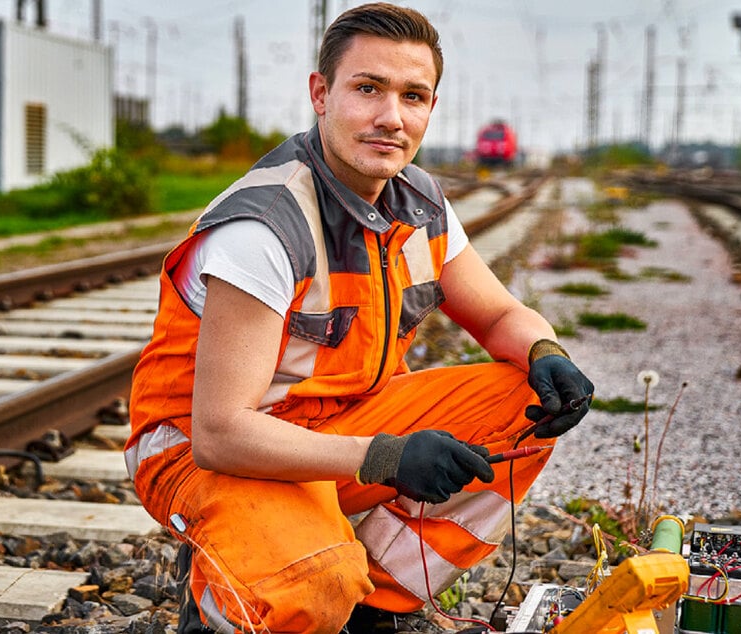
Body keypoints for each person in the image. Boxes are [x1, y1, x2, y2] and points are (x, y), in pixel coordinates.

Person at [124, 3, 594, 632]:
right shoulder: (266, 226)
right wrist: (385, 458)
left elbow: (501, 313)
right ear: (321, 94)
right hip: (209, 452)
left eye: (413, 96)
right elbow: (221, 433)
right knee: (314, 582)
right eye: (367, 89)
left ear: (431, 107)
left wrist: (546, 351)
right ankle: (224, 603)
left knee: (522, 397)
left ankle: (374, 609)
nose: (390, 118)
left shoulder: (417, 202)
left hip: (336, 427)